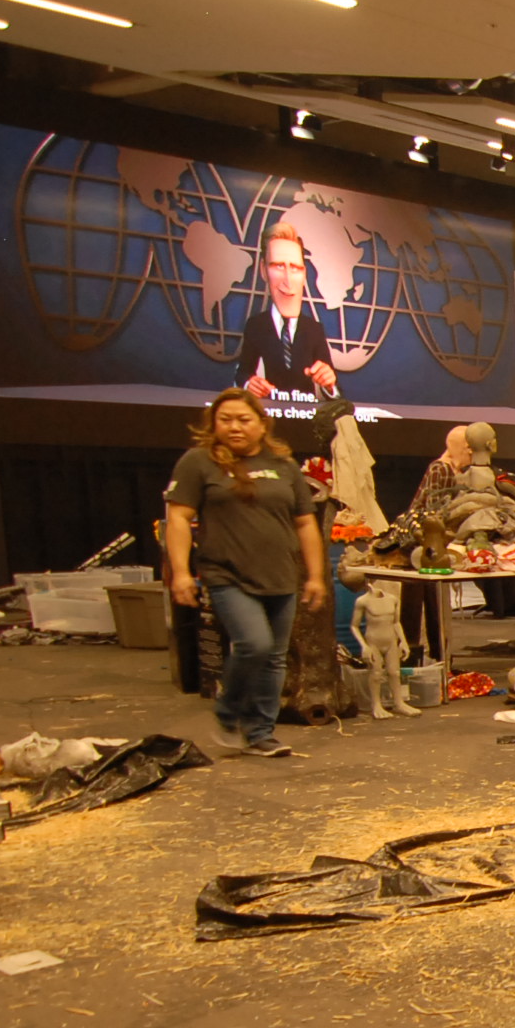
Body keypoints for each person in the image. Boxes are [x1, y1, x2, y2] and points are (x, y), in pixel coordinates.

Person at [166, 387, 329, 755]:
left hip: (280, 575)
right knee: (254, 644)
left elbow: (306, 523)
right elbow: (178, 518)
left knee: (274, 657)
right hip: (226, 575)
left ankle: (260, 733)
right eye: (225, 420)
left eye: (243, 419)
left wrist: (316, 576)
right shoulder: (199, 463)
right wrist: (180, 573)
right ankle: (229, 711)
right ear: (214, 424)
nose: (234, 427)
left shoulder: (284, 467)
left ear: (262, 424)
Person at [240, 220, 340, 398]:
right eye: (279, 266)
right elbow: (243, 373)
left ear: (304, 274)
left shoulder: (314, 330)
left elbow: (332, 388)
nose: (287, 281)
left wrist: (329, 385)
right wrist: (249, 384)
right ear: (263, 270)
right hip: (267, 413)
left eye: (295, 268)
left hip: (307, 414)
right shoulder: (255, 326)